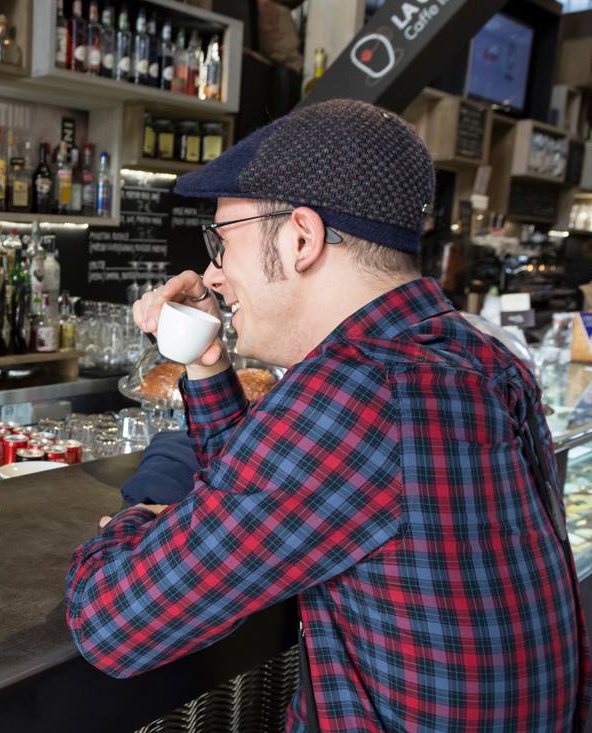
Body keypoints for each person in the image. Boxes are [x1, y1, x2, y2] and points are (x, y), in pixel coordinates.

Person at [65, 99, 591, 730]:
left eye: (221, 242)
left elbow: (112, 625)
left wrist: (137, 523)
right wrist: (206, 362)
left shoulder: (357, 395)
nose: (214, 273)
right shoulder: (477, 353)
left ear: (303, 238)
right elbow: (274, 489)